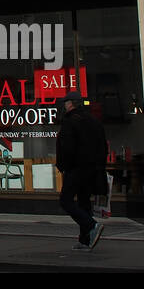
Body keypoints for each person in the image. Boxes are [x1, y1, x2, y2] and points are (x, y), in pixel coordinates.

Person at [56, 93, 107, 250]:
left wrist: (63, 165)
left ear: (71, 104)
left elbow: (67, 147)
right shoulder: (94, 120)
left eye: (66, 102)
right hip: (93, 168)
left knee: (66, 200)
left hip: (76, 168)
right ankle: (85, 240)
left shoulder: (70, 121)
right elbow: (103, 146)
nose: (64, 106)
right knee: (84, 202)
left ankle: (92, 225)